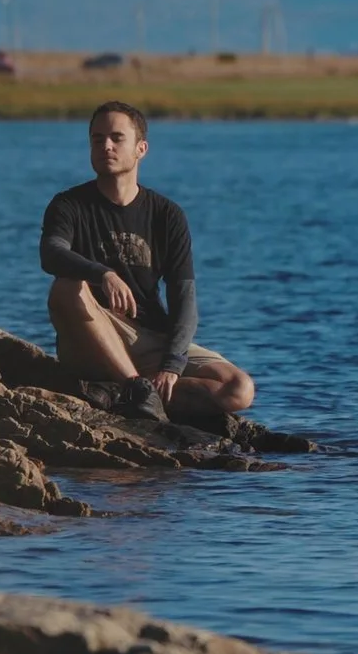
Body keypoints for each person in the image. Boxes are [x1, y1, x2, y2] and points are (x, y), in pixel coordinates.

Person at [40, 100, 256, 423]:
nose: (106, 146)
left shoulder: (167, 215)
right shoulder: (69, 205)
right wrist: (103, 274)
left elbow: (184, 298)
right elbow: (51, 253)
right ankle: (134, 388)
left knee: (240, 389)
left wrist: (171, 365)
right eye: (97, 139)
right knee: (67, 286)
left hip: (148, 338)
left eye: (116, 138)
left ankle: (137, 393)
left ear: (141, 149)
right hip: (92, 335)